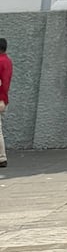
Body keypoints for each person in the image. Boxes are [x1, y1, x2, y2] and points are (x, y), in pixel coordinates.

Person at [0, 37, 11, 168]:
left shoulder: (1, 62)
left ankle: (2, 157)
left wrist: (1, 99)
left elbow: (3, 83)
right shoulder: (7, 61)